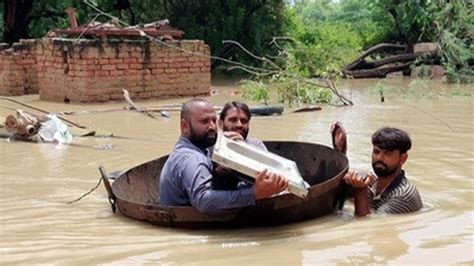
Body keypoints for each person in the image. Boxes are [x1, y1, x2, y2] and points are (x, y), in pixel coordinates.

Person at [159, 98, 288, 215]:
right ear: (185, 126)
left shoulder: (202, 149)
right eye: (204, 121)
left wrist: (241, 150)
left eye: (213, 121)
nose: (212, 127)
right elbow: (204, 201)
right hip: (195, 226)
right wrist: (254, 193)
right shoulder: (192, 158)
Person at [331, 124, 423, 216]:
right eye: (376, 152)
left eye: (388, 154)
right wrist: (340, 152)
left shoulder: (403, 196)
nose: (379, 158)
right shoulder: (374, 181)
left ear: (402, 159)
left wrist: (360, 190)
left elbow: (367, 224)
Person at [212, 101, 267, 190]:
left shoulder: (256, 146)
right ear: (220, 124)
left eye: (244, 121)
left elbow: (269, 178)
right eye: (233, 120)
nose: (239, 125)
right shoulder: (212, 148)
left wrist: (244, 150)